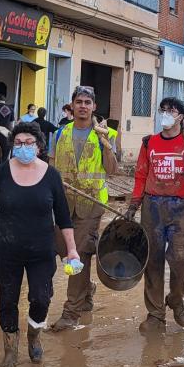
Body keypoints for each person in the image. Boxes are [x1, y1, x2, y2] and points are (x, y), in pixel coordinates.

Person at [0, 122, 79, 367]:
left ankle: (34, 336)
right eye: (18, 143)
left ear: (39, 147)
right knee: (7, 301)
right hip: (8, 251)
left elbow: (63, 218)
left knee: (41, 298)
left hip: (42, 252)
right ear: (12, 146)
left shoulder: (51, 175)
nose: (23, 147)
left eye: (29, 143)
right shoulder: (1, 174)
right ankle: (10, 349)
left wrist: (71, 250)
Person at [125, 97, 184, 333]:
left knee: (180, 259)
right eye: (162, 110)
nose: (165, 114)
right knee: (152, 261)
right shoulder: (149, 143)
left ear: (180, 117)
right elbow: (141, 176)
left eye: (171, 111)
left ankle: (176, 299)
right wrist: (133, 206)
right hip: (152, 206)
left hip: (180, 207)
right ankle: (155, 315)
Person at [48, 86, 120, 331]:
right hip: (63, 204)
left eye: (87, 102)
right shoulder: (59, 134)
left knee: (75, 254)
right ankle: (86, 290)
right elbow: (50, 170)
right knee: (61, 250)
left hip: (92, 205)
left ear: (94, 107)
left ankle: (71, 312)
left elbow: (112, 170)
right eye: (79, 101)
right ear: (72, 105)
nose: (83, 106)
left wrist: (105, 144)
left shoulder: (107, 133)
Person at [0, 94, 16, 161]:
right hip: (7, 134)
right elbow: (12, 124)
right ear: (4, 100)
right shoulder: (11, 109)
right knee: (5, 156)